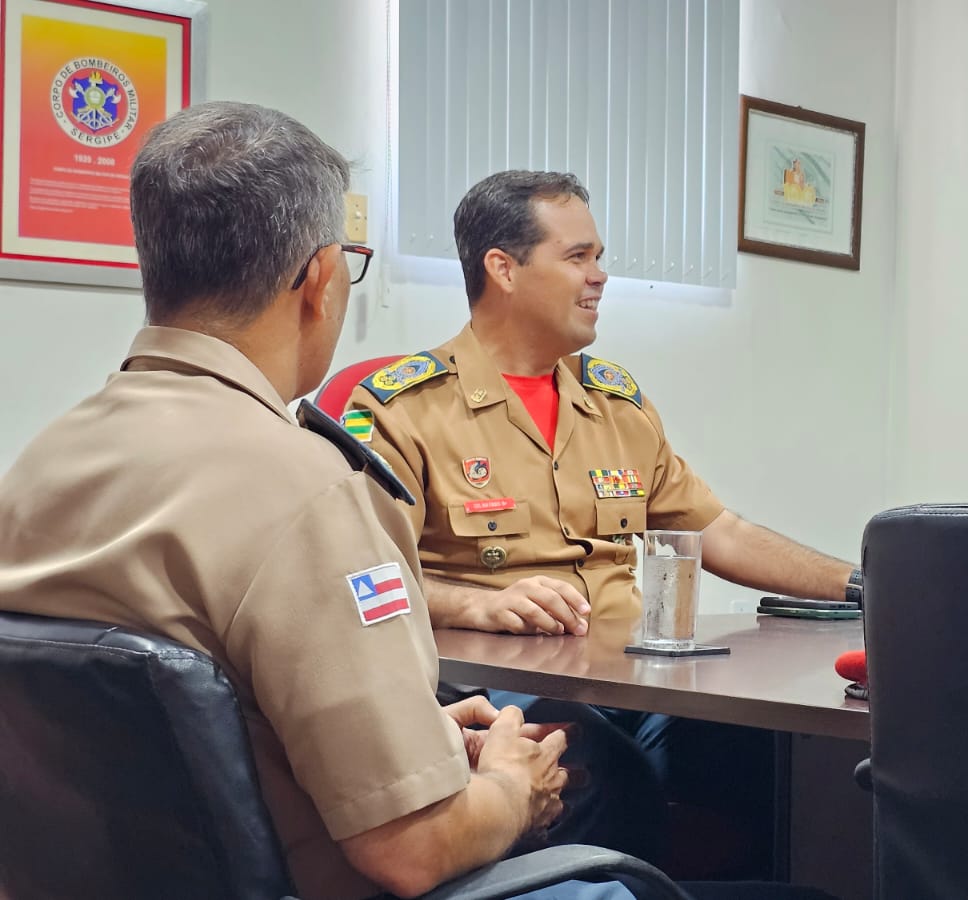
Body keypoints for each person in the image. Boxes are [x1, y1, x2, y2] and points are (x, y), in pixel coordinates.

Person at [0, 101, 642, 900]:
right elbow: (413, 849)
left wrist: (416, 746)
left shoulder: (40, 466)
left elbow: (166, 743)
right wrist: (515, 786)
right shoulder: (309, 488)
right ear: (321, 279)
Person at [345, 170, 860, 873]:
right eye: (577, 257)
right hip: (493, 686)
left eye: (599, 257)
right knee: (608, 771)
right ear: (503, 269)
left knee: (754, 750)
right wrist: (474, 603)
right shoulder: (403, 410)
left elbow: (720, 532)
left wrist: (865, 583)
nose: (600, 276)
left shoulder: (616, 404)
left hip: (634, 676)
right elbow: (366, 579)